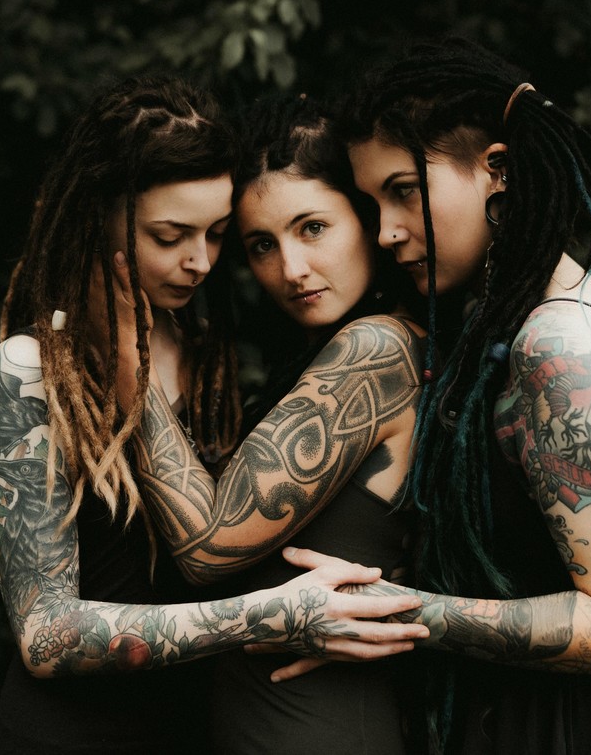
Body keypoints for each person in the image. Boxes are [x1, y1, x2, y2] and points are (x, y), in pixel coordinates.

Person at [0, 76, 427, 755]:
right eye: (170, 235)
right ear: (100, 217)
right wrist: (263, 616)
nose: (200, 262)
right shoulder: (31, 369)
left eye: (216, 236)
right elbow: (45, 635)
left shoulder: (209, 352)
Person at [288, 37, 591, 754]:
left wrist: (392, 611)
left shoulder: (561, 345)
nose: (387, 231)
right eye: (372, 202)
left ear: (497, 169)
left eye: (404, 190)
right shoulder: (505, 318)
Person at [128, 95, 427, 755]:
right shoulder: (321, 358)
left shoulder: (377, 349)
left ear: (368, 219)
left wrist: (129, 356)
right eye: (262, 244)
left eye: (312, 227)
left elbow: (207, 548)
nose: (290, 269)